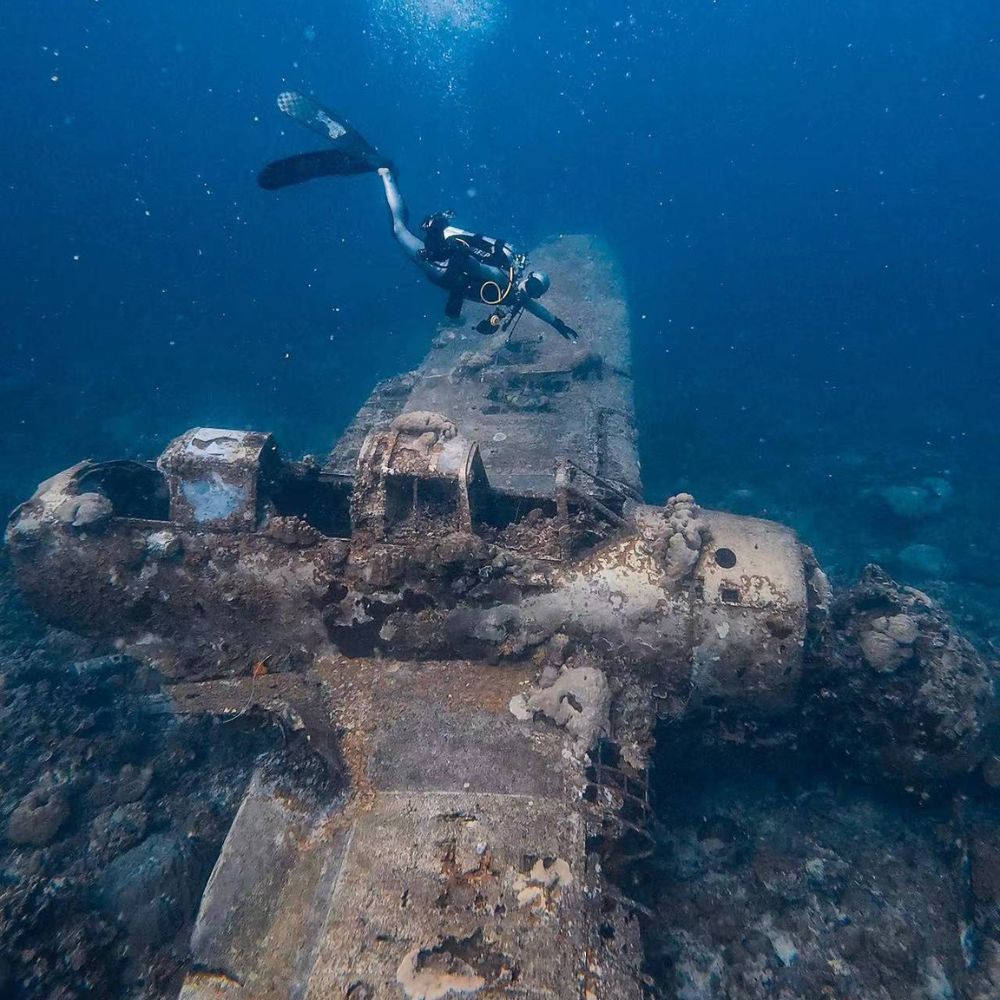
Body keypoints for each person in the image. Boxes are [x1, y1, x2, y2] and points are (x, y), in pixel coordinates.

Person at [259, 92, 579, 341]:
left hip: (442, 270)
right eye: (531, 287)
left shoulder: (513, 295)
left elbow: (532, 309)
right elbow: (471, 264)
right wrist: (444, 263)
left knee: (400, 229)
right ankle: (386, 176)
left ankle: (387, 175)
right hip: (441, 268)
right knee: (399, 230)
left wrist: (557, 323)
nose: (528, 293)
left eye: (534, 290)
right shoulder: (502, 279)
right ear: (526, 278)